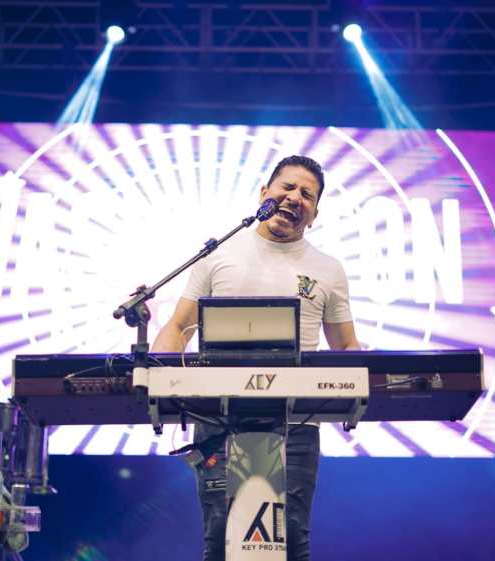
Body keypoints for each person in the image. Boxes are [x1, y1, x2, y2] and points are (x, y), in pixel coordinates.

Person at [152, 155, 360, 561]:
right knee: (220, 536)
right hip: (217, 418)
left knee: (292, 537)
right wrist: (158, 378)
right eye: (288, 187)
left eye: (307, 195)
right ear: (265, 193)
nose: (295, 198)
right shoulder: (217, 254)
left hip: (297, 423)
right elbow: (178, 327)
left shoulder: (328, 269)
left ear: (314, 215)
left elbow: (347, 347)